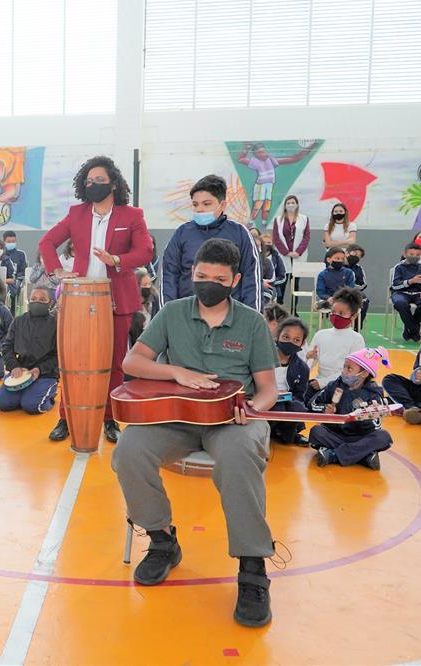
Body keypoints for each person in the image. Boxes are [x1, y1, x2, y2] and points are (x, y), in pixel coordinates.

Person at [112, 238, 278, 628]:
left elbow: (268, 387)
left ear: (235, 280)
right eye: (201, 276)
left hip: (233, 418)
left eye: (218, 279)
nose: (208, 284)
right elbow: (132, 362)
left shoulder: (252, 322)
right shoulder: (171, 313)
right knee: (129, 449)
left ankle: (253, 568)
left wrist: (254, 409)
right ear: (192, 275)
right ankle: (162, 541)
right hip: (179, 416)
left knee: (238, 458)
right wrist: (176, 372)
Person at [39, 155, 153, 443]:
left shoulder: (132, 215)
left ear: (113, 183)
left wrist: (116, 259)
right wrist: (56, 270)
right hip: (78, 299)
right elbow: (47, 242)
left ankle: (109, 419)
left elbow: (144, 252)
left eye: (99, 180)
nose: (93, 185)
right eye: (89, 181)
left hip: (117, 300)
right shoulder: (76, 213)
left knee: (114, 362)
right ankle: (66, 417)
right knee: (73, 362)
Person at [160, 175, 260, 311]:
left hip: (231, 318)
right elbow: (169, 276)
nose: (199, 209)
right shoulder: (182, 233)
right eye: (195, 204)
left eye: (206, 204)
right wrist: (169, 315)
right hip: (187, 315)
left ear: (222, 205)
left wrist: (251, 319)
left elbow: (251, 278)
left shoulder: (240, 233)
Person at [309, 348, 393, 470]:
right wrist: (324, 409)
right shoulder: (334, 385)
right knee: (316, 432)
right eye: (344, 367)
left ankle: (333, 455)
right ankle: (363, 456)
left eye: (349, 369)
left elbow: (376, 426)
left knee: (383, 437)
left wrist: (365, 418)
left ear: (364, 373)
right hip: (335, 434)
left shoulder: (374, 394)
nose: (344, 371)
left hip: (360, 437)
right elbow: (313, 404)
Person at [0, 287, 59, 419]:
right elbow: (7, 347)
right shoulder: (18, 321)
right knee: (3, 403)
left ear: (51, 303)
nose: (37, 302)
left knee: (32, 406)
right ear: (29, 301)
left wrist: (39, 370)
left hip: (45, 374)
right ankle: (27, 394)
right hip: (22, 371)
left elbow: (59, 355)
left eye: (42, 300)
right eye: (33, 299)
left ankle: (49, 394)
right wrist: (14, 366)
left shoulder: (56, 324)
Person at [305, 288, 366, 398]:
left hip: (343, 386)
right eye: (333, 312)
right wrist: (308, 358)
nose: (336, 315)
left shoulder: (356, 339)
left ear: (354, 316)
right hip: (318, 383)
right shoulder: (320, 334)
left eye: (341, 313)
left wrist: (324, 383)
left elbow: (351, 372)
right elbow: (309, 364)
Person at [236, 141, 315, 224]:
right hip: (260, 186)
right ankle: (251, 222)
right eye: (260, 152)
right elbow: (240, 159)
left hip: (269, 185)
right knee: (258, 205)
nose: (264, 154)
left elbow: (294, 159)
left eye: (264, 151)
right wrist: (247, 147)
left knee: (267, 206)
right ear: (256, 155)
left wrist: (309, 148)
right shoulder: (255, 162)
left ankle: (264, 223)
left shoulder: (271, 161)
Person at [270, 317, 311, 446]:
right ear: (277, 336)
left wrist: (289, 397)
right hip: (264, 399)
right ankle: (269, 431)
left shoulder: (302, 368)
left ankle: (287, 433)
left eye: (296, 340)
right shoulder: (263, 358)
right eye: (286, 337)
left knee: (298, 407)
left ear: (302, 343)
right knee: (278, 408)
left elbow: (300, 395)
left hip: (286, 401)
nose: (290, 342)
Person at [389, 243, 421, 342]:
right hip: (400, 293)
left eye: (417, 255)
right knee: (400, 303)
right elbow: (395, 285)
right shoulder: (398, 267)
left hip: (417, 293)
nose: (415, 257)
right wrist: (410, 281)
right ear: (404, 254)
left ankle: (409, 327)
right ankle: (415, 330)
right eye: (411, 254)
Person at [271, 195, 311, 301]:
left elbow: (306, 237)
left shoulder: (304, 219)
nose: (290, 205)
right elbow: (276, 237)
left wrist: (298, 252)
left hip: (298, 256)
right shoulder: (278, 220)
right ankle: (279, 307)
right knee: (282, 282)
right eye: (288, 203)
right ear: (284, 206)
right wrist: (286, 252)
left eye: (293, 203)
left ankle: (294, 310)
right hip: (284, 256)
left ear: (297, 205)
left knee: (295, 284)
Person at [2, 230, 28, 311]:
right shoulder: (0, 254)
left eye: (13, 241)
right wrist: (5, 280)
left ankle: (12, 314)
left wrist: (15, 279)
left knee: (13, 290)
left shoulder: (21, 254)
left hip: (15, 281)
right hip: (2, 281)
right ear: (4, 242)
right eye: (8, 241)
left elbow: (24, 271)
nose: (11, 243)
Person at [346, 244, 371, 328]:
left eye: (359, 256)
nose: (356, 257)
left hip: (354, 292)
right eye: (355, 254)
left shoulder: (359, 268)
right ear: (347, 253)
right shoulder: (339, 266)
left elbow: (363, 284)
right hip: (338, 292)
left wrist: (353, 287)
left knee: (364, 300)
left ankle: (357, 328)